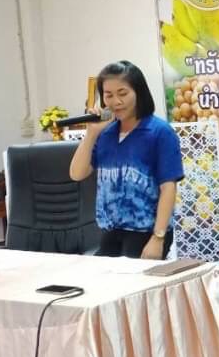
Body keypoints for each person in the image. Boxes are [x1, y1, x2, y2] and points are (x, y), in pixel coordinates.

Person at [69, 60, 183, 259]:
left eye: (122, 93)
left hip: (146, 232)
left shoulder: (160, 132)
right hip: (111, 231)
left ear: (139, 92)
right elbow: (77, 174)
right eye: (108, 95)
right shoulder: (105, 133)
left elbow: (168, 188)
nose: (116, 102)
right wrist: (92, 133)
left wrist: (158, 238)